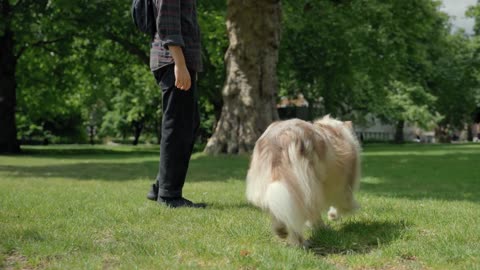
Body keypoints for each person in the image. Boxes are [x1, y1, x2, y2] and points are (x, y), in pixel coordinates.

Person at [146, 0, 205, 208]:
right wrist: (180, 64)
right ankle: (169, 196)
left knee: (188, 124)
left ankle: (161, 187)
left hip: (179, 61)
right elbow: (168, 23)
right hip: (173, 61)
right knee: (178, 126)